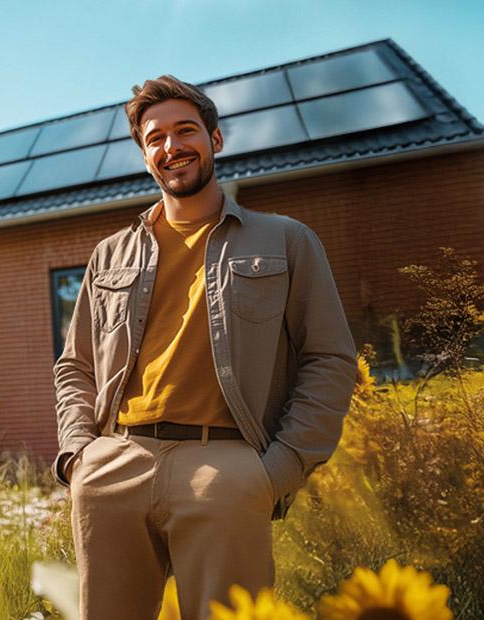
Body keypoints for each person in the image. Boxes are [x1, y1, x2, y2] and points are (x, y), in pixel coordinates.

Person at [51, 75, 358, 620]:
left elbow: (329, 359)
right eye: (155, 138)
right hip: (114, 465)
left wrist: (278, 469)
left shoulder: (285, 239)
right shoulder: (109, 255)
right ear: (145, 155)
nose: (171, 147)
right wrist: (80, 456)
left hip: (228, 469)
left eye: (185, 130)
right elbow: (75, 364)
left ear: (215, 139)